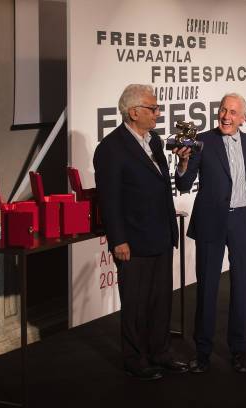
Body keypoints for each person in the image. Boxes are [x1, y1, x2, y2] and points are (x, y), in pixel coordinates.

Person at [93, 84, 188, 380]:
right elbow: (109, 199)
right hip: (132, 241)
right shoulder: (110, 149)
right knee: (135, 304)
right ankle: (135, 359)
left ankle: (160, 352)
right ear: (134, 112)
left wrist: (182, 163)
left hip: (161, 234)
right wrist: (118, 239)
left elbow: (162, 184)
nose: (158, 114)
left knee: (161, 301)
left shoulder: (155, 140)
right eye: (153, 108)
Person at [175, 93, 246, 373]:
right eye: (223, 110)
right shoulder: (201, 141)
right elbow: (184, 183)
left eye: (232, 112)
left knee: (241, 289)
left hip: (242, 223)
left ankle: (239, 351)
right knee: (207, 289)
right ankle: (202, 353)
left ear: (243, 117)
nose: (226, 116)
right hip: (211, 221)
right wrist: (184, 161)